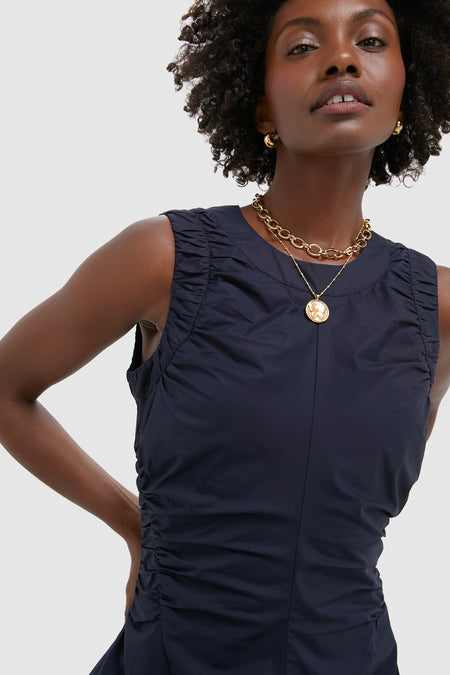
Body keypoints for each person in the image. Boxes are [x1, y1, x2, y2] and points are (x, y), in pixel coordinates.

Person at [0, 0, 449, 673]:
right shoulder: (164, 259)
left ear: (405, 93)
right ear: (262, 109)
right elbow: (7, 388)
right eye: (303, 46)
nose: (342, 59)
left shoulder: (436, 306)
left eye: (371, 40)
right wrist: (132, 522)